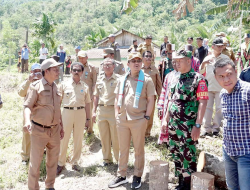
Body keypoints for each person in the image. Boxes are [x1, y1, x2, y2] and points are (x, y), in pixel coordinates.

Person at [108, 52, 155, 189]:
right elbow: (117, 97)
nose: (136, 63)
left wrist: (147, 117)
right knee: (123, 149)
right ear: (127, 64)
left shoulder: (147, 79)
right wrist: (117, 113)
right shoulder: (122, 79)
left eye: (138, 61)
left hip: (139, 119)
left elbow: (151, 99)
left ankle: (137, 176)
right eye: (133, 61)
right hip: (122, 119)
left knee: (138, 150)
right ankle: (121, 175)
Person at [162, 50, 208, 190]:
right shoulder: (175, 78)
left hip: (188, 125)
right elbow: (171, 100)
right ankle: (181, 181)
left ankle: (188, 184)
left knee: (187, 153)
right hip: (173, 124)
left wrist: (198, 125)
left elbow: (203, 102)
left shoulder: (198, 79)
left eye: (179, 60)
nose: (176, 63)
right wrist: (165, 120)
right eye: (174, 61)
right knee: (176, 151)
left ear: (189, 61)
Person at [23, 58, 64, 190]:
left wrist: (61, 126)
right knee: (35, 163)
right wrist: (27, 121)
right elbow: (27, 106)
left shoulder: (56, 86)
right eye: (55, 69)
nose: (58, 71)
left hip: (55, 131)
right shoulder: (36, 87)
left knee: (52, 162)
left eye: (58, 69)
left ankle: (50, 186)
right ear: (46, 71)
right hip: (39, 131)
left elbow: (58, 109)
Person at [214, 58, 250, 190]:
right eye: (221, 76)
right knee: (232, 187)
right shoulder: (223, 94)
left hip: (246, 153)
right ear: (216, 78)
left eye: (229, 74)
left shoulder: (247, 91)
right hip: (228, 151)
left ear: (236, 71)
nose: (226, 79)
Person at [57, 62, 91, 175]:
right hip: (67, 112)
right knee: (63, 138)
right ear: (70, 71)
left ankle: (75, 162)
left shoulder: (85, 87)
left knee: (78, 138)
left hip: (80, 113)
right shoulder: (63, 84)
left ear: (82, 72)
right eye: (74, 70)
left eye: (78, 70)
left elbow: (87, 104)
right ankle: (60, 163)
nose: (76, 72)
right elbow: (58, 102)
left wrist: (88, 119)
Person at [92, 58, 120, 166]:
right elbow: (96, 96)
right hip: (101, 110)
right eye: (105, 65)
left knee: (116, 136)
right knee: (104, 136)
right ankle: (107, 159)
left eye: (109, 64)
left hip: (114, 110)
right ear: (102, 67)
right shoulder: (99, 79)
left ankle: (119, 160)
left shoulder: (119, 79)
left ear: (114, 66)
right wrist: (94, 111)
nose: (107, 66)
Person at [199, 38, 229, 137]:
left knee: (220, 108)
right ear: (213, 46)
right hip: (209, 86)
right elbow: (201, 72)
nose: (220, 47)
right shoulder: (207, 58)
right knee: (207, 108)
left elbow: (229, 72)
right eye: (218, 46)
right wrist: (204, 64)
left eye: (221, 46)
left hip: (221, 87)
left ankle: (216, 128)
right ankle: (207, 128)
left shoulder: (225, 58)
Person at [18, 63, 43, 165]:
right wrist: (29, 80)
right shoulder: (27, 82)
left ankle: (41, 153)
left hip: (41, 112)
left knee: (41, 133)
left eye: (39, 71)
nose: (36, 73)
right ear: (31, 72)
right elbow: (20, 93)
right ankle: (25, 156)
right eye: (35, 71)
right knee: (27, 134)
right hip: (29, 112)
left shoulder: (44, 82)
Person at [157, 55, 180, 144]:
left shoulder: (184, 75)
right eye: (173, 62)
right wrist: (160, 106)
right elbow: (163, 91)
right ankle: (167, 142)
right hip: (167, 105)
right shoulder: (169, 75)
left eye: (177, 62)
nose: (175, 64)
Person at [141, 51, 162, 137]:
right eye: (147, 56)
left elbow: (158, 85)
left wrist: (160, 98)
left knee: (149, 115)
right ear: (142, 58)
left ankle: (147, 133)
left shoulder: (154, 70)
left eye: (150, 56)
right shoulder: (139, 69)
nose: (149, 58)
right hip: (141, 97)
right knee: (140, 115)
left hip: (151, 97)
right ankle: (140, 132)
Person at [78, 51, 97, 134]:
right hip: (78, 94)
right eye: (80, 58)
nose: (81, 59)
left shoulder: (92, 68)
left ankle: (90, 130)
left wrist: (94, 94)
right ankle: (80, 129)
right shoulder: (76, 67)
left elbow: (95, 82)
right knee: (79, 112)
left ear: (87, 58)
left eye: (83, 58)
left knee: (89, 111)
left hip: (89, 94)